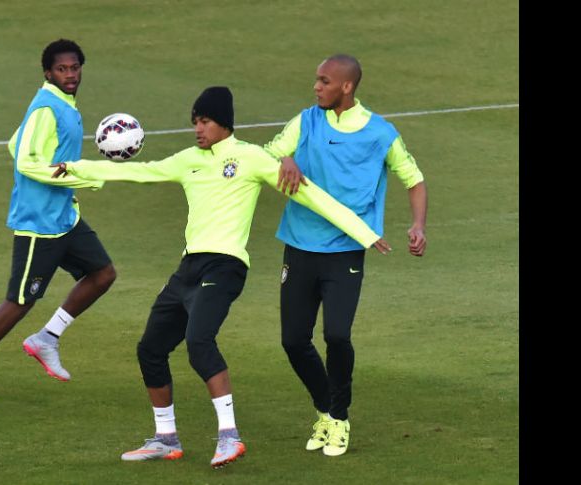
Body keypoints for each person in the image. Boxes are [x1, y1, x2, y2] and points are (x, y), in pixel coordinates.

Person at [51, 86, 390, 468]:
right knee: (150, 349)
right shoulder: (188, 160)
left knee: (199, 341)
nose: (198, 129)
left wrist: (364, 232)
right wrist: (77, 168)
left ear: (224, 124)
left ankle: (229, 437)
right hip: (189, 267)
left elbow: (312, 196)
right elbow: (138, 172)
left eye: (205, 121)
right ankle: (166, 438)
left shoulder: (252, 158)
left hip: (226, 266)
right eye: (195, 122)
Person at [265, 54, 428, 456]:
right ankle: (327, 410)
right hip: (299, 245)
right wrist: (283, 157)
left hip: (346, 251)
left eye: (324, 81)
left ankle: (339, 418)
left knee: (337, 335)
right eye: (316, 80)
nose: (316, 87)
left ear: (347, 87)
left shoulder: (380, 133)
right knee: (293, 341)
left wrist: (418, 224)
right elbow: (266, 154)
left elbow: (414, 177)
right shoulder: (306, 121)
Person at [0, 39, 117, 405]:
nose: (70, 75)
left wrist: (62, 180)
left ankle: (47, 339)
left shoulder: (63, 105)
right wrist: (82, 177)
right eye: (62, 69)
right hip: (39, 224)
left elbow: (15, 144)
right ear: (48, 73)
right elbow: (24, 161)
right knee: (21, 300)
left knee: (103, 274)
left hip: (65, 218)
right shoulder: (47, 108)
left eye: (74, 68)